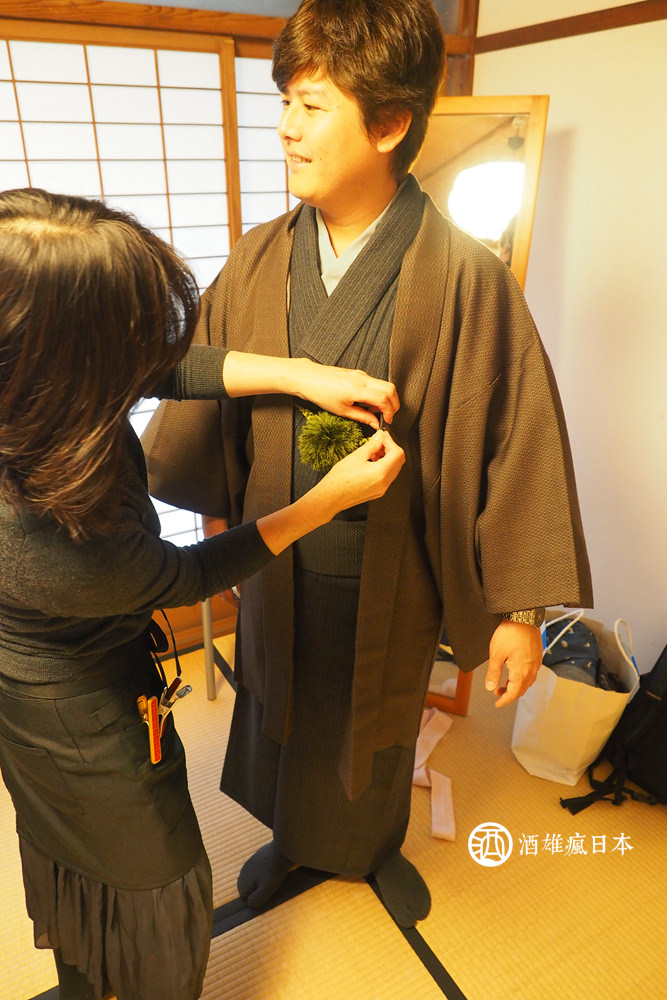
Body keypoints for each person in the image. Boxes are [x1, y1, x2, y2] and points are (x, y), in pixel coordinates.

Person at [144, 0, 593, 930]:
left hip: (393, 562)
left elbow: (517, 437)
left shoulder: (463, 276)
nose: (285, 128)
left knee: (377, 716)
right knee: (278, 700)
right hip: (276, 546)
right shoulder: (260, 257)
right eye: (284, 102)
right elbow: (203, 385)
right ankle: (289, 841)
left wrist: (517, 614)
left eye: (310, 107)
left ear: (388, 124)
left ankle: (371, 849)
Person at [0, 186, 405, 1000]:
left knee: (85, 850)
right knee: (160, 869)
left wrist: (300, 374)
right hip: (73, 716)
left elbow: (157, 364)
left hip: (53, 678)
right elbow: (181, 578)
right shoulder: (32, 531)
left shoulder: (26, 382)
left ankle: (87, 977)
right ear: (63, 358)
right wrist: (324, 500)